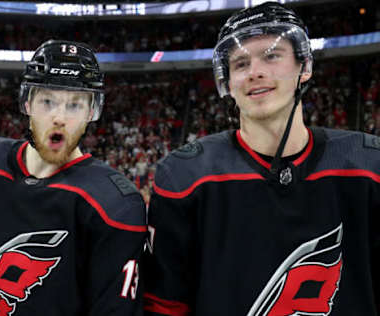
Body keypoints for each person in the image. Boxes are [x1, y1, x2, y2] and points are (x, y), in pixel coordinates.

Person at [143, 2, 380, 315]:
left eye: (271, 55)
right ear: (226, 81)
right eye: (240, 63)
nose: (255, 72)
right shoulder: (184, 175)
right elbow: (164, 306)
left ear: (304, 66)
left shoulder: (370, 166)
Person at [0, 40, 147, 316]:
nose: (59, 117)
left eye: (74, 105)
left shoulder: (115, 205)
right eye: (47, 101)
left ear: (91, 112)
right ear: (27, 102)